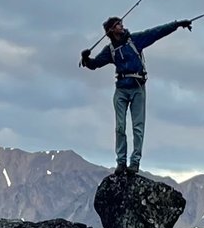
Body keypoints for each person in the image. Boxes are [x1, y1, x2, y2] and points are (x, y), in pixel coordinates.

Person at [79, 14, 190, 171]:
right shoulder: (110, 50)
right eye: (118, 24)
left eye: (121, 23)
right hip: (121, 90)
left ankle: (135, 162)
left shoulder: (135, 40)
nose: (122, 26)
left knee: (138, 127)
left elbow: (156, 32)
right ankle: (121, 163)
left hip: (137, 87)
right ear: (111, 30)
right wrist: (86, 59)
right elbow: (95, 64)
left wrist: (177, 24)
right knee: (120, 127)